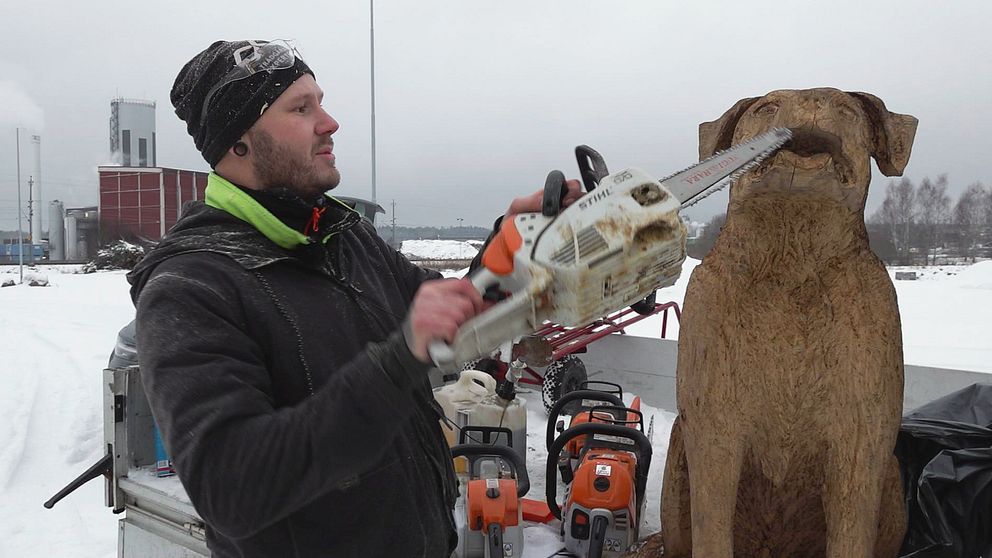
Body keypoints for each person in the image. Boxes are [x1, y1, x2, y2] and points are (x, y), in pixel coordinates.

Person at [128, 39, 581, 557]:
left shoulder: (341, 236)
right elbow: (230, 488)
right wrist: (396, 362)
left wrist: (509, 244)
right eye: (302, 108)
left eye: (320, 101)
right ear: (239, 143)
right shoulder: (189, 290)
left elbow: (448, 312)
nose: (330, 122)